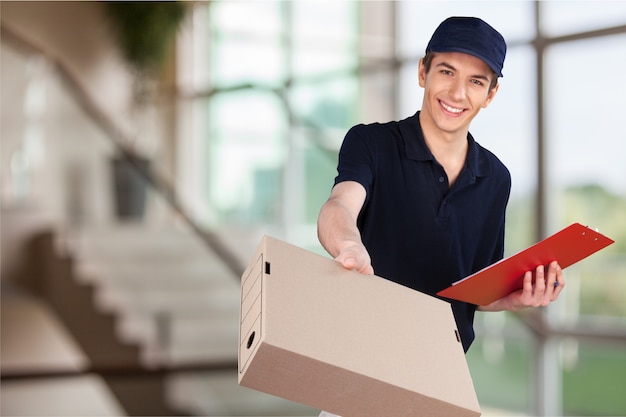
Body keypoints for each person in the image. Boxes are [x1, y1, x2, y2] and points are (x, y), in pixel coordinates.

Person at [317, 16, 564, 416]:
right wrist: (348, 245)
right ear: (422, 72)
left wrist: (514, 297)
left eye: (476, 81)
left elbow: (473, 289)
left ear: (491, 94)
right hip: (359, 365)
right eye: (446, 72)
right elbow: (340, 205)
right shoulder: (372, 143)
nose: (457, 92)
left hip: (441, 374)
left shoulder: (495, 177)